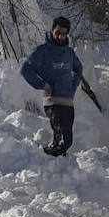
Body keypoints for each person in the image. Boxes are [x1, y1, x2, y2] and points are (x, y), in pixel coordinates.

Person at [20, 15, 83, 156]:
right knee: (60, 133)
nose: (60, 36)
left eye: (64, 33)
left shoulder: (69, 53)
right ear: (52, 30)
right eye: (58, 33)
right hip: (53, 100)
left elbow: (79, 68)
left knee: (67, 141)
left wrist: (73, 85)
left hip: (68, 100)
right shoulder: (42, 51)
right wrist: (44, 85)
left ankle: (58, 162)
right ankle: (44, 158)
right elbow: (25, 70)